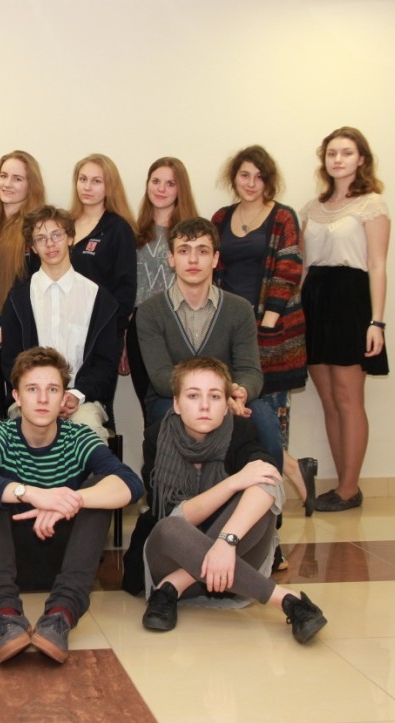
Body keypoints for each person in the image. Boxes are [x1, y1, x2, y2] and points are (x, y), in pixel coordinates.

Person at [0, 347, 143, 663]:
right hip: (11, 561)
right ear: (17, 397)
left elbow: (131, 483)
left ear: (63, 398)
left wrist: (69, 500)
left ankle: (60, 616)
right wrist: (33, 494)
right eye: (32, 389)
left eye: (52, 390)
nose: (43, 399)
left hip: (67, 561)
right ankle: (5, 616)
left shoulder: (79, 437)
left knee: (99, 488)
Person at [140, 357, 327, 644]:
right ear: (176, 403)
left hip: (232, 570)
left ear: (227, 403)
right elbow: (175, 515)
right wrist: (232, 483)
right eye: (193, 396)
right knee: (170, 527)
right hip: (171, 558)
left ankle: (173, 586)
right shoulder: (157, 437)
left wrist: (225, 543)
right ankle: (286, 600)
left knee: (262, 491)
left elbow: (267, 478)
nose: (205, 406)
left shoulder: (240, 430)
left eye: (215, 396)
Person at [135, 217, 285, 492]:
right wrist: (213, 396)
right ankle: (170, 505)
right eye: (184, 250)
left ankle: (267, 503)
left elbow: (250, 371)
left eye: (202, 251)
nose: (193, 259)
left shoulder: (239, 309)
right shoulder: (149, 312)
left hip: (229, 396)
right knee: (166, 414)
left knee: (264, 419)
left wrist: (236, 393)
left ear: (215, 259)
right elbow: (160, 377)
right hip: (171, 399)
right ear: (171, 259)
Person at [212, 145, 315, 517]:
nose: (251, 183)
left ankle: (272, 502)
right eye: (244, 175)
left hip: (274, 333)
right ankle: (290, 470)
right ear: (234, 177)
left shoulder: (282, 216)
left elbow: (289, 268)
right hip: (231, 328)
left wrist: (267, 322)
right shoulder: (221, 217)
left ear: (268, 180)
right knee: (238, 410)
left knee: (270, 414)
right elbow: (213, 270)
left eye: (259, 176)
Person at [300, 127, 389, 512]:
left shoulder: (372, 205)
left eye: (347, 153)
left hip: (351, 301)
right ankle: (340, 485)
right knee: (329, 400)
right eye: (332, 153)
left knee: (349, 398)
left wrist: (377, 322)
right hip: (315, 302)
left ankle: (350, 489)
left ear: (361, 159)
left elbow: (377, 265)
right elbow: (303, 266)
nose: (338, 159)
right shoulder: (311, 208)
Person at [0, 206, 119, 442]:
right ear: (33, 247)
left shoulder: (98, 298)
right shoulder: (17, 300)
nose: (50, 244)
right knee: (22, 438)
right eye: (41, 238)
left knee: (89, 438)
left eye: (57, 235)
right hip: (29, 400)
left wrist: (76, 394)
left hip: (83, 401)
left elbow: (106, 365)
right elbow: (10, 362)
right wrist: (38, 394)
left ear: (70, 238)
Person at [127, 158, 199, 410]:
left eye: (170, 183)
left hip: (180, 323)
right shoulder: (133, 232)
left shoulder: (193, 234)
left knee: (185, 403)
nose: (161, 189)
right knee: (149, 407)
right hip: (140, 326)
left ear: (181, 189)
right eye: (156, 181)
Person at [0, 150, 46, 345]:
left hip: (22, 327)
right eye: (3, 176)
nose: (7, 184)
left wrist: (10, 323)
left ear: (31, 185)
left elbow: (40, 285)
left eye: (17, 179)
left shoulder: (39, 227)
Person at [68, 153, 137, 344]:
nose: (87, 187)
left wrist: (106, 327)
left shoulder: (118, 229)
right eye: (83, 179)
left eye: (96, 181)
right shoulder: (63, 223)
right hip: (63, 328)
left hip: (101, 333)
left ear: (110, 186)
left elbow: (125, 291)